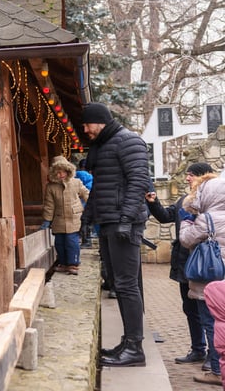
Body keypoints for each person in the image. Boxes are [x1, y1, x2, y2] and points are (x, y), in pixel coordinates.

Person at [80, 102, 151, 367]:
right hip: (109, 222)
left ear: (99, 121)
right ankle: (128, 342)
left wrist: (126, 219)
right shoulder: (104, 146)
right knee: (118, 284)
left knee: (126, 285)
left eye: (87, 124)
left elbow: (138, 181)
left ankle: (135, 348)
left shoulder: (128, 141)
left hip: (124, 225)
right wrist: (87, 218)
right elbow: (100, 187)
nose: (85, 129)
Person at [146, 162, 214, 367]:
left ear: (203, 177)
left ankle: (214, 355)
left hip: (207, 264)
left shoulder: (212, 202)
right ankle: (198, 349)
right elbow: (166, 217)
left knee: (209, 312)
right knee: (190, 308)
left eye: (191, 175)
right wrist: (153, 202)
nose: (187, 178)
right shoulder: (184, 200)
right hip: (185, 264)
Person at [180, 171, 225, 385]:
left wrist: (187, 222)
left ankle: (217, 371)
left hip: (209, 280)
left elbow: (186, 240)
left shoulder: (207, 218)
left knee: (212, 324)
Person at [40, 156, 90, 275]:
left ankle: (73, 264)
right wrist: (47, 220)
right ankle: (63, 263)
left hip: (74, 217)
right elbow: (49, 205)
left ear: (68, 170)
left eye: (62, 171)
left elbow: (86, 194)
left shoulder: (76, 182)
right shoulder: (51, 187)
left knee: (71, 241)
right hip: (59, 219)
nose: (60, 174)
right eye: (57, 172)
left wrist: (91, 208)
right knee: (59, 242)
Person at [75, 159, 95, 247]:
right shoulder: (91, 177)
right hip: (89, 201)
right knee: (88, 222)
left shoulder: (74, 176)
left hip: (78, 202)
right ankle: (87, 240)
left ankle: (83, 239)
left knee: (81, 222)